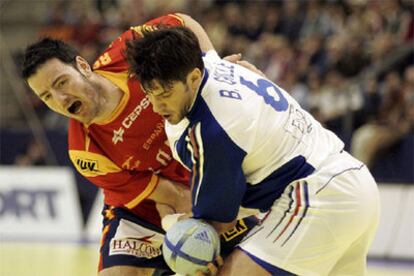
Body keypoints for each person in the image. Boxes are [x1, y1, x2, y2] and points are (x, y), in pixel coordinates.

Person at [126, 26, 381, 276]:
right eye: (151, 95)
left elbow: (216, 225)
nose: (158, 107)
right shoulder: (211, 63)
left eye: (166, 94)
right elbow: (186, 21)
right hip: (354, 183)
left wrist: (178, 227)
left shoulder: (213, 130)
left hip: (319, 196)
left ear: (193, 78)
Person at [22, 14, 258, 276]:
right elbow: (173, 196)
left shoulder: (129, 50)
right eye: (46, 96)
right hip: (142, 209)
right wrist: (194, 238)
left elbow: (181, 21)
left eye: (61, 82)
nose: (59, 99)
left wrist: (215, 66)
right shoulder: (84, 152)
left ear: (82, 66)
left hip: (201, 177)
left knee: (243, 268)